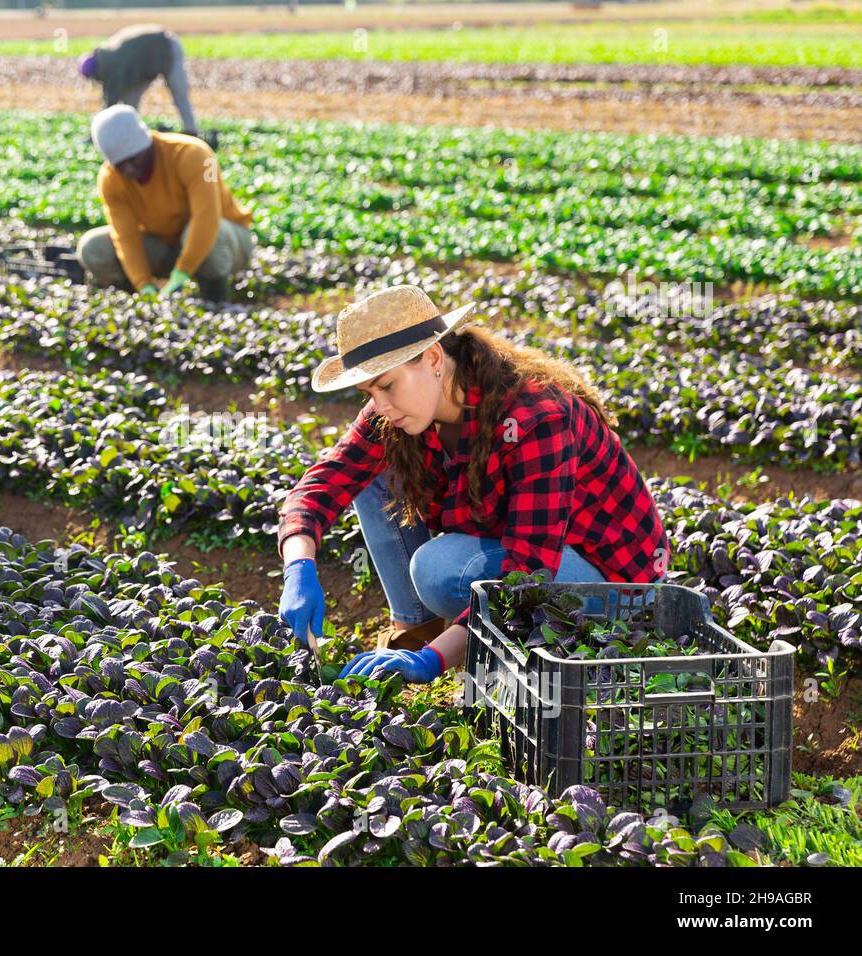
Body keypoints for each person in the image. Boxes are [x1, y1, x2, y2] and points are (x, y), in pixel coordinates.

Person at [276, 285, 671, 683]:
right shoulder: (401, 410)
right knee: (376, 472)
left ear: (433, 358)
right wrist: (299, 566)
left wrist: (434, 661)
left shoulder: (536, 418)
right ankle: (417, 628)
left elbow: (528, 575)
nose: (377, 404)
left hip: (612, 585)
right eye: (368, 392)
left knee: (438, 568)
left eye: (386, 385)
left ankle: (452, 644)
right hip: (534, 553)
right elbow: (323, 485)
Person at [76, 105, 253, 303]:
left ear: (146, 143)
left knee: (210, 234)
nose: (129, 170)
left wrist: (183, 271)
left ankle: (216, 301)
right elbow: (125, 236)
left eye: (133, 159)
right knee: (93, 248)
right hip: (166, 244)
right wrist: (143, 283)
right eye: (120, 164)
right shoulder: (110, 179)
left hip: (229, 243)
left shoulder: (198, 155)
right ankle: (140, 299)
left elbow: (207, 218)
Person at [77, 24, 198, 137]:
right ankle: (133, 134)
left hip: (167, 45)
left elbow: (111, 99)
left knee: (179, 92)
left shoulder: (111, 63)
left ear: (95, 72)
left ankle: (191, 131)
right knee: (130, 103)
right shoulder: (105, 55)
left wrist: (99, 131)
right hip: (143, 63)